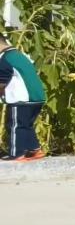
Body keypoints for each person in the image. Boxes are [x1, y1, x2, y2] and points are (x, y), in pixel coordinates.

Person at [0, 32, 46, 161]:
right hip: (37, 97)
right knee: (26, 125)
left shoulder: (4, 59)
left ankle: (17, 153)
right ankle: (34, 149)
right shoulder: (18, 55)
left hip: (22, 99)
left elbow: (2, 82)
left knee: (15, 126)